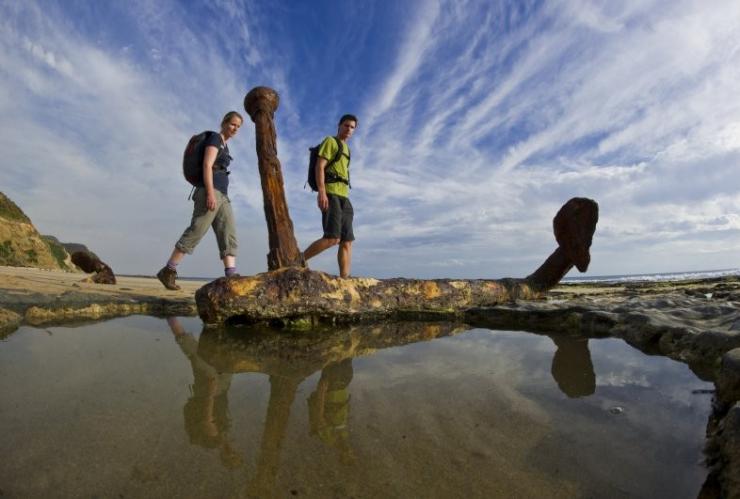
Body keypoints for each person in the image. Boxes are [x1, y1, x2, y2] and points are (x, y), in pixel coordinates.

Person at [157, 111, 243, 290]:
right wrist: (210, 193)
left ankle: (231, 275)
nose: (235, 129)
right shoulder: (215, 139)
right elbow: (207, 165)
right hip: (209, 192)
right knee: (197, 230)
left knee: (229, 232)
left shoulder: (225, 145)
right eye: (233, 124)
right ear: (225, 122)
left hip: (223, 195)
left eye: (238, 126)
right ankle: (168, 270)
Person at [302, 114, 358, 278]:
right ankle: (299, 260)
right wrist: (322, 191)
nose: (349, 129)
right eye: (346, 125)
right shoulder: (330, 141)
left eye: (352, 127)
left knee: (347, 241)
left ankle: (345, 280)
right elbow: (320, 166)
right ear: (339, 126)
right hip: (330, 193)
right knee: (332, 238)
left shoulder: (347, 149)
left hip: (344, 197)